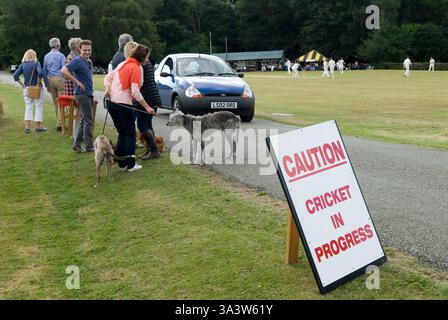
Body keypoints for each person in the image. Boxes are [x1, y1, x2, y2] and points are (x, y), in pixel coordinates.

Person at [104, 44, 155, 172]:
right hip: (123, 104)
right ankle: (131, 165)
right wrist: (147, 107)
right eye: (147, 57)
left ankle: (122, 164)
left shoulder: (123, 64)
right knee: (131, 134)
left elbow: (107, 77)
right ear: (142, 57)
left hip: (112, 104)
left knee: (123, 133)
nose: (148, 60)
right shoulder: (135, 68)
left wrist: (107, 89)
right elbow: (135, 92)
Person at [62, 40, 95, 153]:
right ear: (80, 49)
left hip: (89, 93)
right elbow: (64, 70)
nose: (87, 52)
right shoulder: (77, 61)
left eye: (89, 50)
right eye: (85, 50)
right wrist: (77, 82)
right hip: (82, 94)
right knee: (89, 120)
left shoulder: (89, 61)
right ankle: (89, 146)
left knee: (84, 120)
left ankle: (76, 144)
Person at [13, 49, 46, 133]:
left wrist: (23, 85)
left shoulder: (22, 65)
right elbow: (40, 73)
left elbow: (15, 75)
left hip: (27, 88)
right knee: (38, 106)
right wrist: (38, 83)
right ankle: (38, 127)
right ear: (34, 55)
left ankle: (27, 127)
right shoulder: (36, 63)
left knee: (28, 107)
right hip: (37, 88)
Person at [42, 37, 66, 131]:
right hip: (59, 79)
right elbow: (64, 69)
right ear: (57, 45)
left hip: (50, 79)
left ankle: (59, 122)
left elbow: (44, 71)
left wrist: (46, 83)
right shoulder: (61, 56)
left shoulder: (46, 56)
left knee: (56, 103)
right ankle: (60, 124)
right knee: (62, 102)